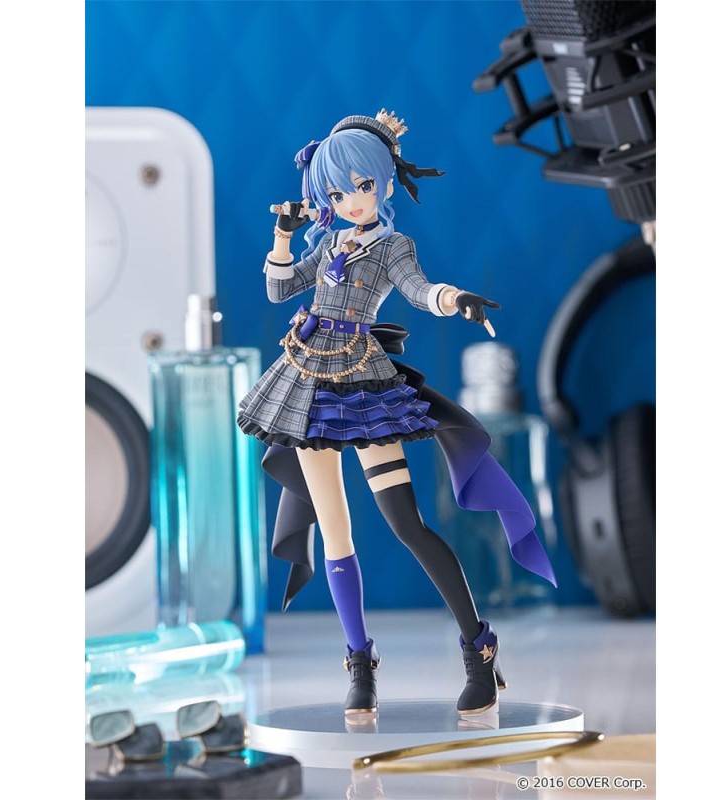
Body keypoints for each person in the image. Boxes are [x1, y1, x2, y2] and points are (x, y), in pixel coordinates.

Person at [238, 110, 555, 716]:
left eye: (362, 186)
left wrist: (455, 298)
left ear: (384, 182)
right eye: (338, 193)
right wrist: (282, 237)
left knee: (406, 524)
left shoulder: (392, 247)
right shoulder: (328, 243)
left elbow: (417, 289)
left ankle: (479, 648)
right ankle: (360, 663)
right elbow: (279, 289)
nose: (351, 201)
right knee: (336, 532)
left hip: (363, 388)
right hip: (308, 382)